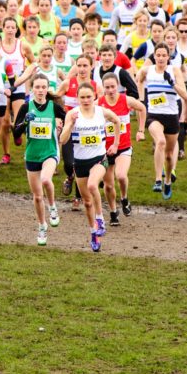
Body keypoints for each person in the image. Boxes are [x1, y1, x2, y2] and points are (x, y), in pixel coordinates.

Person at [60, 83, 122, 253]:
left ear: (94, 96)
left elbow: (117, 120)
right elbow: (63, 139)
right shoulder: (72, 114)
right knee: (87, 203)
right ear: (78, 98)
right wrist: (70, 125)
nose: (86, 100)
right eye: (82, 97)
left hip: (99, 159)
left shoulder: (101, 111)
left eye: (89, 97)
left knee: (93, 185)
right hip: (80, 163)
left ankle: (100, 219)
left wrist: (115, 144)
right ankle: (93, 232)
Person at [14, 74, 64, 246]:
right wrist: (24, 123)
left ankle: (53, 207)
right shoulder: (25, 107)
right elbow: (15, 134)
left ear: (47, 88)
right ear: (32, 88)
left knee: (46, 179)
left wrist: (62, 125)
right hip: (32, 155)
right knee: (36, 197)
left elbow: (68, 119)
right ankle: (42, 226)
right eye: (37, 87)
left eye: (44, 87)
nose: (41, 90)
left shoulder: (54, 106)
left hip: (50, 152)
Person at [136, 42, 187, 199]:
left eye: (164, 55)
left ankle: (167, 180)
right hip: (154, 115)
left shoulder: (174, 70)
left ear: (168, 57)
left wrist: (172, 83)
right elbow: (138, 79)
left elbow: (184, 94)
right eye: (158, 55)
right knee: (160, 142)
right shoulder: (147, 70)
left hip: (171, 115)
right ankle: (158, 179)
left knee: (170, 155)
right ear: (154, 56)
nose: (161, 58)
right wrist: (141, 99)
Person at [98, 72, 146, 227]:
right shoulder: (99, 103)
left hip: (123, 147)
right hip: (105, 150)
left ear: (118, 86)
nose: (111, 90)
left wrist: (140, 130)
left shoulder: (126, 100)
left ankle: (124, 198)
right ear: (103, 88)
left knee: (121, 175)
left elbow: (142, 108)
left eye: (113, 86)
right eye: (107, 87)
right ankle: (113, 212)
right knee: (109, 185)